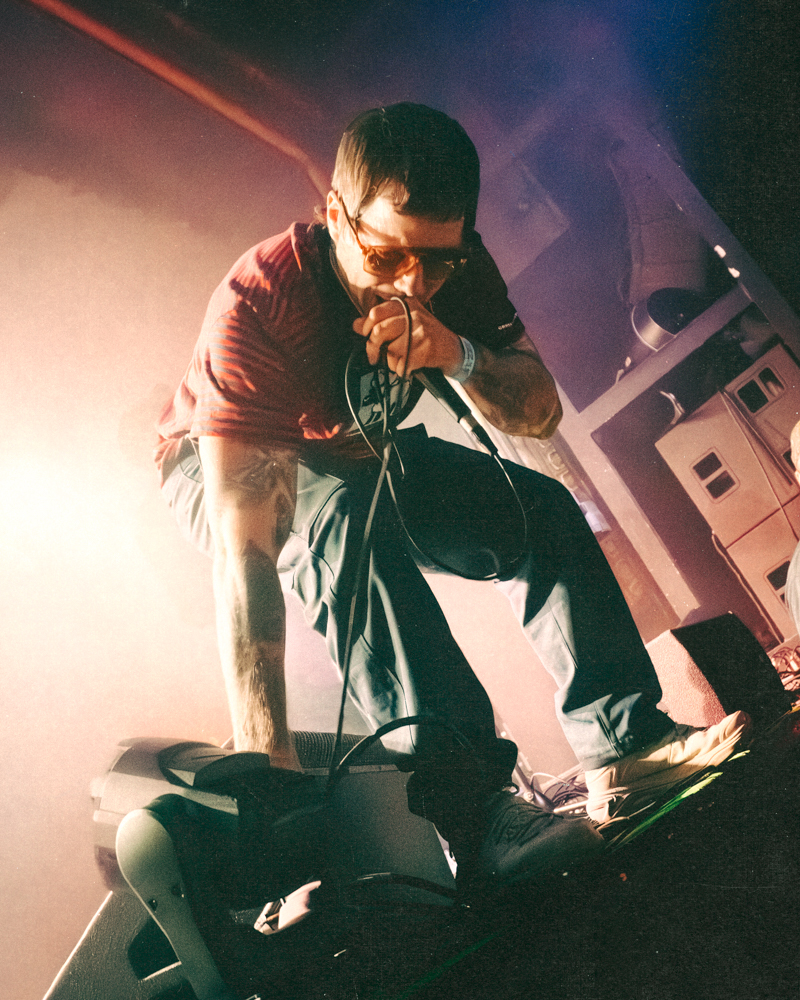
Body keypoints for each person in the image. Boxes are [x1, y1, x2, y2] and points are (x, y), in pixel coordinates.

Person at [155, 103, 749, 891]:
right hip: (216, 470)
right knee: (337, 531)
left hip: (353, 448)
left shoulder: (455, 270)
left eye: (434, 261)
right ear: (335, 215)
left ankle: (626, 747)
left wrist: (458, 352)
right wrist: (267, 758)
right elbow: (248, 552)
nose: (412, 282)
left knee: (535, 509)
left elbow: (538, 409)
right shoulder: (260, 304)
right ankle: (475, 815)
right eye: (386, 255)